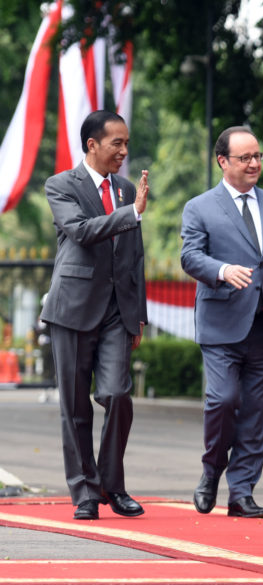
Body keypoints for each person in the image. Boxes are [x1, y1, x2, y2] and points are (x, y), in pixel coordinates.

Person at [180, 125, 263, 518]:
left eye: (258, 156)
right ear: (223, 161)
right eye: (245, 158)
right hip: (221, 323)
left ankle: (241, 492)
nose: (254, 164)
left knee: (255, 411)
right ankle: (210, 471)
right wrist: (221, 270)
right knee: (223, 400)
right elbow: (189, 257)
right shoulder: (199, 207)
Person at [42, 110, 149, 521]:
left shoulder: (125, 190)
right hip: (72, 309)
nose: (123, 151)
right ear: (92, 145)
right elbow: (82, 230)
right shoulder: (60, 185)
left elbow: (134, 257)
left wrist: (137, 315)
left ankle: (111, 484)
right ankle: (85, 492)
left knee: (118, 395)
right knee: (75, 407)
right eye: (116, 143)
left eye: (126, 143)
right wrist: (133, 213)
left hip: (116, 313)